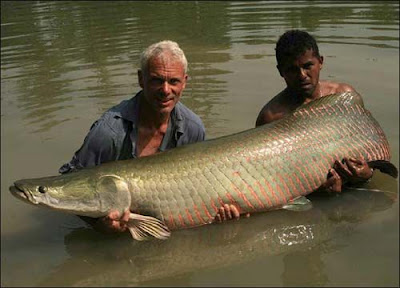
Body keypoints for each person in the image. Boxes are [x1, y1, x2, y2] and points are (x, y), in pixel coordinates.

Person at [59, 40, 234, 233]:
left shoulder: (193, 128)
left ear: (184, 82)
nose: (166, 90)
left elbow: (200, 186)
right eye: (157, 80)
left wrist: (217, 212)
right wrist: (101, 225)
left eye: (173, 81)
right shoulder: (108, 132)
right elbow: (70, 183)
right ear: (141, 79)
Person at [255, 30, 373, 193]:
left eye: (307, 66)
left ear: (321, 62)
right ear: (281, 71)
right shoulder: (271, 117)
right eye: (292, 69)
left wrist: (367, 173)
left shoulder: (344, 97)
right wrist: (315, 191)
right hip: (311, 192)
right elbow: (270, 177)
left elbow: (367, 147)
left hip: (355, 185)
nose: (302, 75)